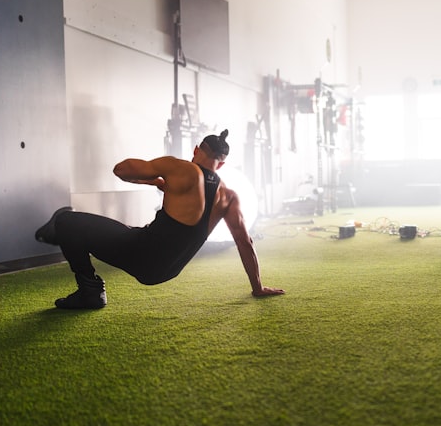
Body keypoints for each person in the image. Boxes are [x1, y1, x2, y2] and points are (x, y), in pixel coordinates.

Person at [35, 130, 284, 308]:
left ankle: (90, 291)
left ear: (196, 150)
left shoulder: (180, 168)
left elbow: (121, 170)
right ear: (221, 165)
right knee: (130, 231)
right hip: (167, 271)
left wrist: (156, 175)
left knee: (66, 220)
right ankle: (77, 263)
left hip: (140, 254)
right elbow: (245, 242)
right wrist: (258, 287)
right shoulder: (229, 197)